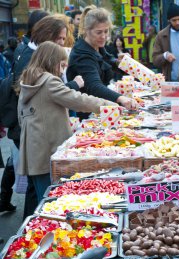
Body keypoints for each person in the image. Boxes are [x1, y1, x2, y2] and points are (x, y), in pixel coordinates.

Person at [0, 15, 84, 217]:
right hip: (36, 136)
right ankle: (32, 229)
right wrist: (73, 86)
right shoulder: (34, 59)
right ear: (48, 36)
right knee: (40, 192)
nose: (63, 43)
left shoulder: (30, 52)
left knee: (37, 188)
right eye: (60, 39)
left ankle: (32, 226)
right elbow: (52, 93)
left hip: (32, 133)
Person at [18, 41, 116, 202]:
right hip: (47, 150)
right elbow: (78, 100)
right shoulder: (49, 81)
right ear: (51, 61)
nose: (62, 70)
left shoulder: (29, 80)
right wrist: (110, 105)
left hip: (33, 150)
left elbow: (21, 117)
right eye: (62, 65)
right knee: (52, 199)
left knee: (42, 198)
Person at [67, 7, 138, 120]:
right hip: (85, 114)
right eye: (99, 32)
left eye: (106, 31)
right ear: (87, 30)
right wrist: (121, 98)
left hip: (98, 110)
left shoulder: (96, 46)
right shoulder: (82, 54)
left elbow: (108, 60)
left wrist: (120, 62)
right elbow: (94, 86)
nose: (104, 36)